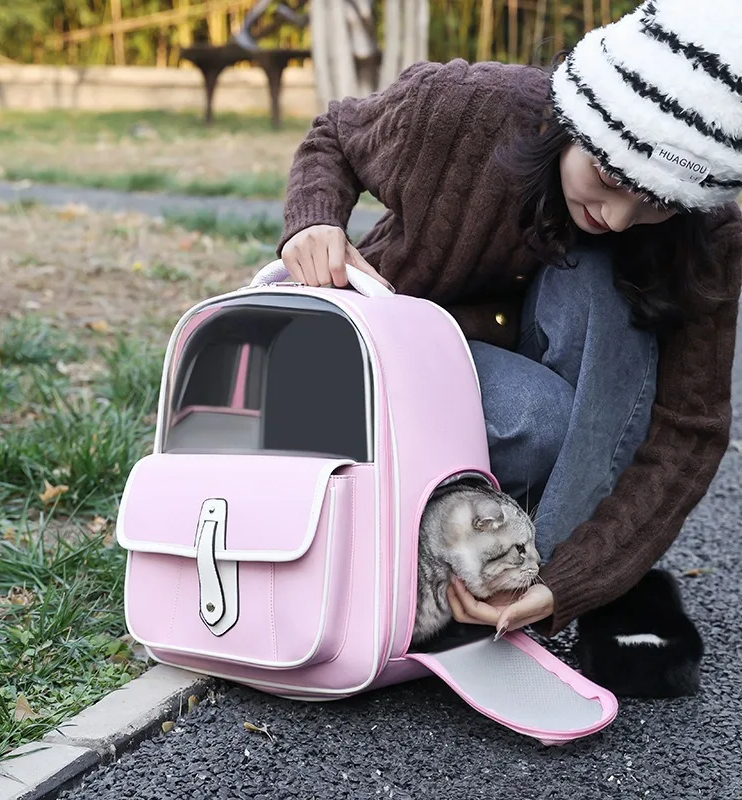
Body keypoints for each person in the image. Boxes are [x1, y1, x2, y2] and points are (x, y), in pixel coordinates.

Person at [276, 0, 742, 685]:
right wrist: (313, 222)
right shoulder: (466, 110)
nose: (617, 217)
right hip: (400, 375)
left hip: (545, 451)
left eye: (656, 205)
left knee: (605, 280)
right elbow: (334, 135)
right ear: (576, 120)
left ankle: (515, 586)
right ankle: (448, 568)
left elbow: (687, 430)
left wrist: (565, 583)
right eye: (609, 179)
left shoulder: (709, 239)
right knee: (542, 418)